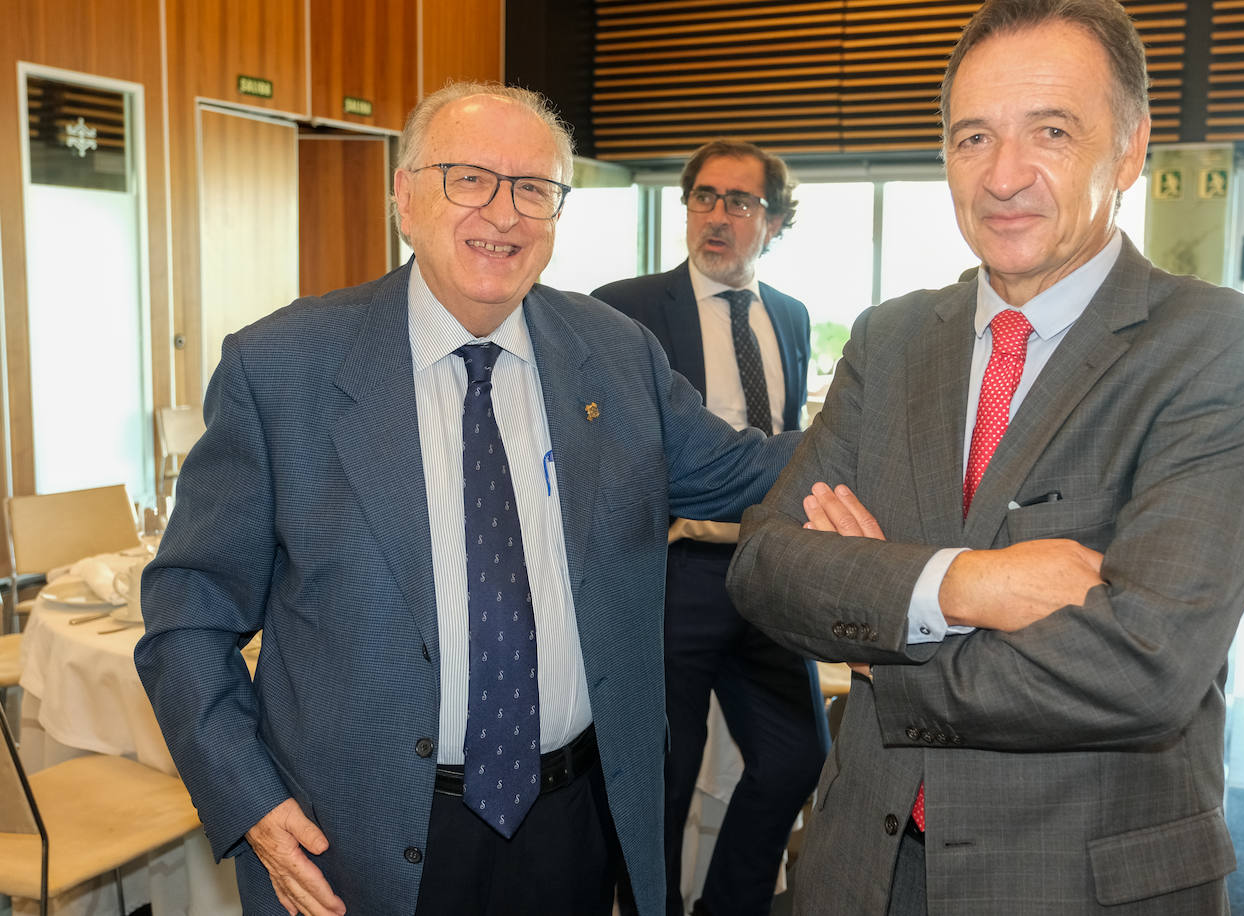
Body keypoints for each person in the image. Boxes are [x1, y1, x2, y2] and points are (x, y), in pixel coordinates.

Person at [135, 82, 800, 916]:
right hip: (356, 845)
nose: (505, 213)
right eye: (469, 178)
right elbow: (186, 613)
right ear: (405, 198)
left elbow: (749, 471)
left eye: (534, 189)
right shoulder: (282, 369)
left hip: (573, 825)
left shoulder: (613, 354)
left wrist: (919, 428)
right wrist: (253, 804)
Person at [725, 1, 1244, 913]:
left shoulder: (1224, 349)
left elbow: (1143, 666)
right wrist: (964, 587)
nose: (1003, 177)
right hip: (858, 868)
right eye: (972, 138)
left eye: (1051, 131)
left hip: (1074, 883)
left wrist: (882, 641)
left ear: (1127, 150)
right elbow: (766, 567)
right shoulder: (892, 339)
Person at [592, 140, 826, 916]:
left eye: (740, 202)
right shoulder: (624, 308)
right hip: (674, 577)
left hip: (767, 570)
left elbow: (783, 443)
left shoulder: (789, 316)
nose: (717, 217)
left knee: (797, 759)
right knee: (660, 780)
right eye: (704, 197)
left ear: (775, 221)